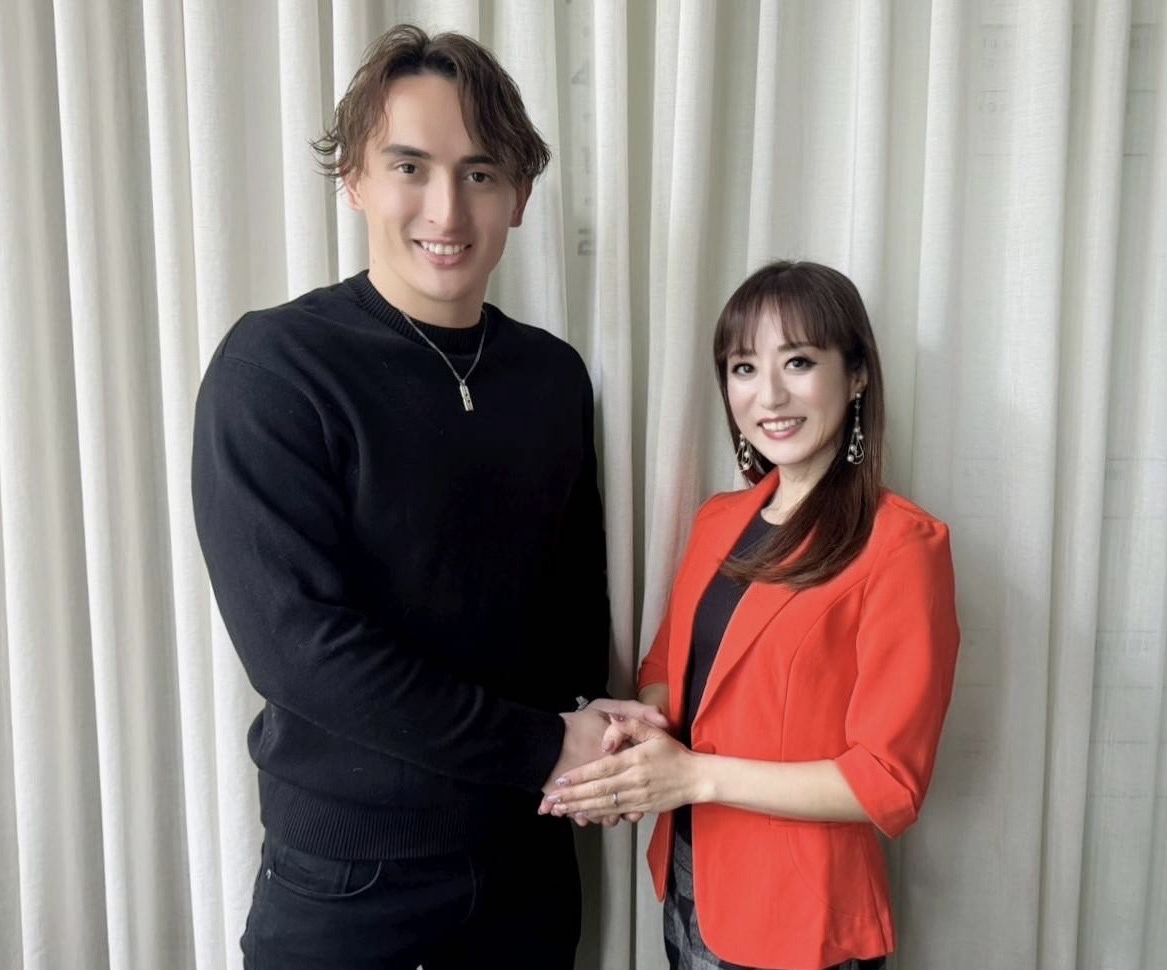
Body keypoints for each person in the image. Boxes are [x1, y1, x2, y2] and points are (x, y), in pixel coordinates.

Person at [192, 24, 662, 970]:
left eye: (480, 173)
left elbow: (571, 605)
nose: (447, 209)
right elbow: (300, 650)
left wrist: (604, 733)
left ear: (520, 198)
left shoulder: (552, 376)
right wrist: (545, 745)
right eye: (410, 166)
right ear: (354, 180)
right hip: (351, 880)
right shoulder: (276, 367)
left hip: (530, 858)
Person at [542, 261, 960, 970]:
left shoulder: (902, 545)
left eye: (798, 362)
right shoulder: (720, 519)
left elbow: (886, 778)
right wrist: (631, 754)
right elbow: (668, 670)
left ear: (857, 375)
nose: (769, 395)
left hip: (800, 916)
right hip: (689, 881)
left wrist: (693, 777)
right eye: (743, 367)